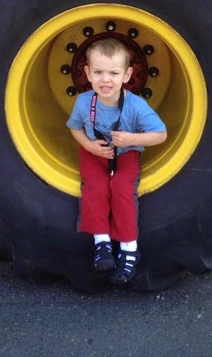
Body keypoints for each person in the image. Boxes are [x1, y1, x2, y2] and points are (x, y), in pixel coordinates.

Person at [66, 38, 167, 285]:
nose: (105, 80)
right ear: (87, 73)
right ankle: (101, 243)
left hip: (126, 153)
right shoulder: (83, 102)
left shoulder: (135, 105)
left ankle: (129, 249)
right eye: (98, 72)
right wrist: (89, 145)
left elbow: (161, 134)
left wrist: (132, 138)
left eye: (113, 73)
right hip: (95, 152)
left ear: (127, 75)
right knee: (95, 187)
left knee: (122, 190)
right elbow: (74, 127)